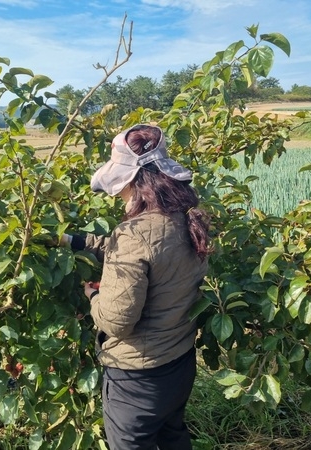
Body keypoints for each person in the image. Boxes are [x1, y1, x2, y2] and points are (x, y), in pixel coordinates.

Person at [62, 124, 210, 450]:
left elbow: (116, 320)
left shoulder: (135, 234)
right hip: (179, 364)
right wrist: (75, 241)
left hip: (137, 378)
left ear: (131, 181)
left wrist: (94, 295)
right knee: (173, 437)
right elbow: (144, 248)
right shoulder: (185, 218)